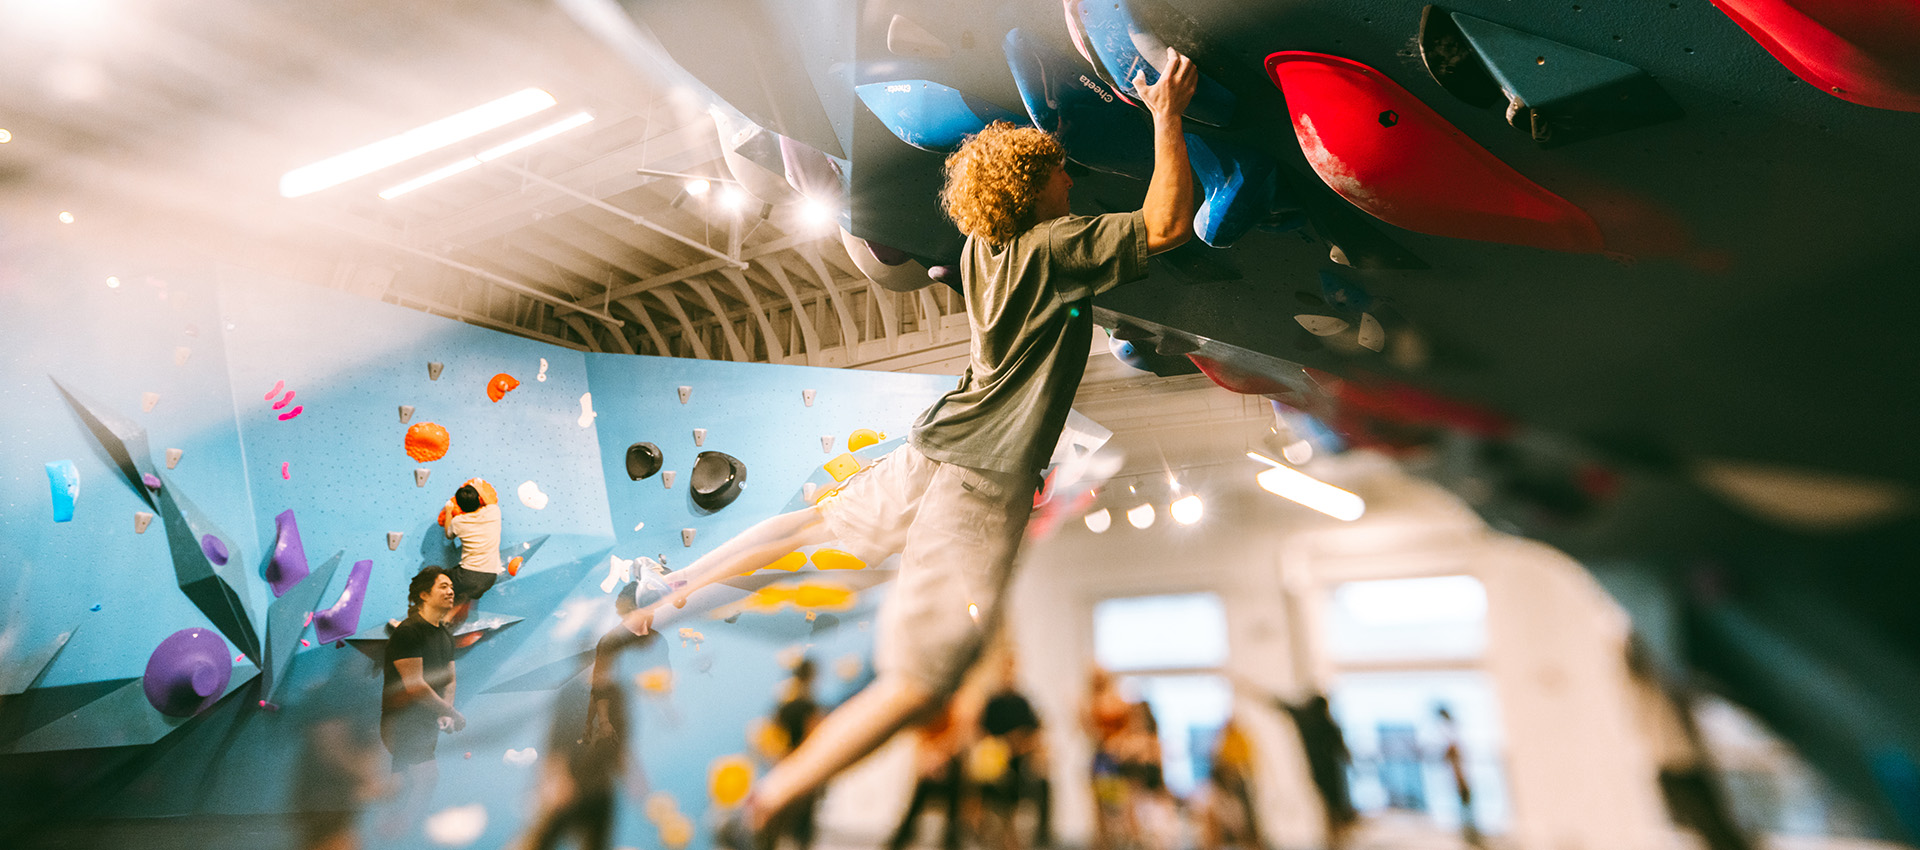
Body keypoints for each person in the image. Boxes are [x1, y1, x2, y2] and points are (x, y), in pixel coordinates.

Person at [618, 48, 1201, 848]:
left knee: (810, 527)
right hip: (982, 479)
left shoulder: (979, 251)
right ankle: (764, 805)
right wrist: (1168, 113)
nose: (1072, 183)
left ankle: (674, 589)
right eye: (1061, 175)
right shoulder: (1056, 245)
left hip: (938, 442)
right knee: (920, 684)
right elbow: (1168, 222)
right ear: (1033, 190)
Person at [380, 567, 465, 834]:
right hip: (402, 722)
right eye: (443, 586)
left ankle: (389, 832)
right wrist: (453, 712)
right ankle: (400, 831)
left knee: (402, 782)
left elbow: (448, 680)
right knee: (426, 779)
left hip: (425, 721)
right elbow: (415, 686)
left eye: (451, 586)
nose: (450, 591)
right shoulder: (409, 632)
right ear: (424, 594)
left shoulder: (444, 634)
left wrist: (445, 713)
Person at [439, 480, 504, 615]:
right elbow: (488, 500)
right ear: (479, 500)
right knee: (458, 600)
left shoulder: (459, 522)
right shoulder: (494, 512)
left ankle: (418, 621)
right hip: (490, 577)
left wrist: (449, 511)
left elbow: (448, 535)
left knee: (435, 580)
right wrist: (477, 485)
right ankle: (446, 622)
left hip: (467, 576)